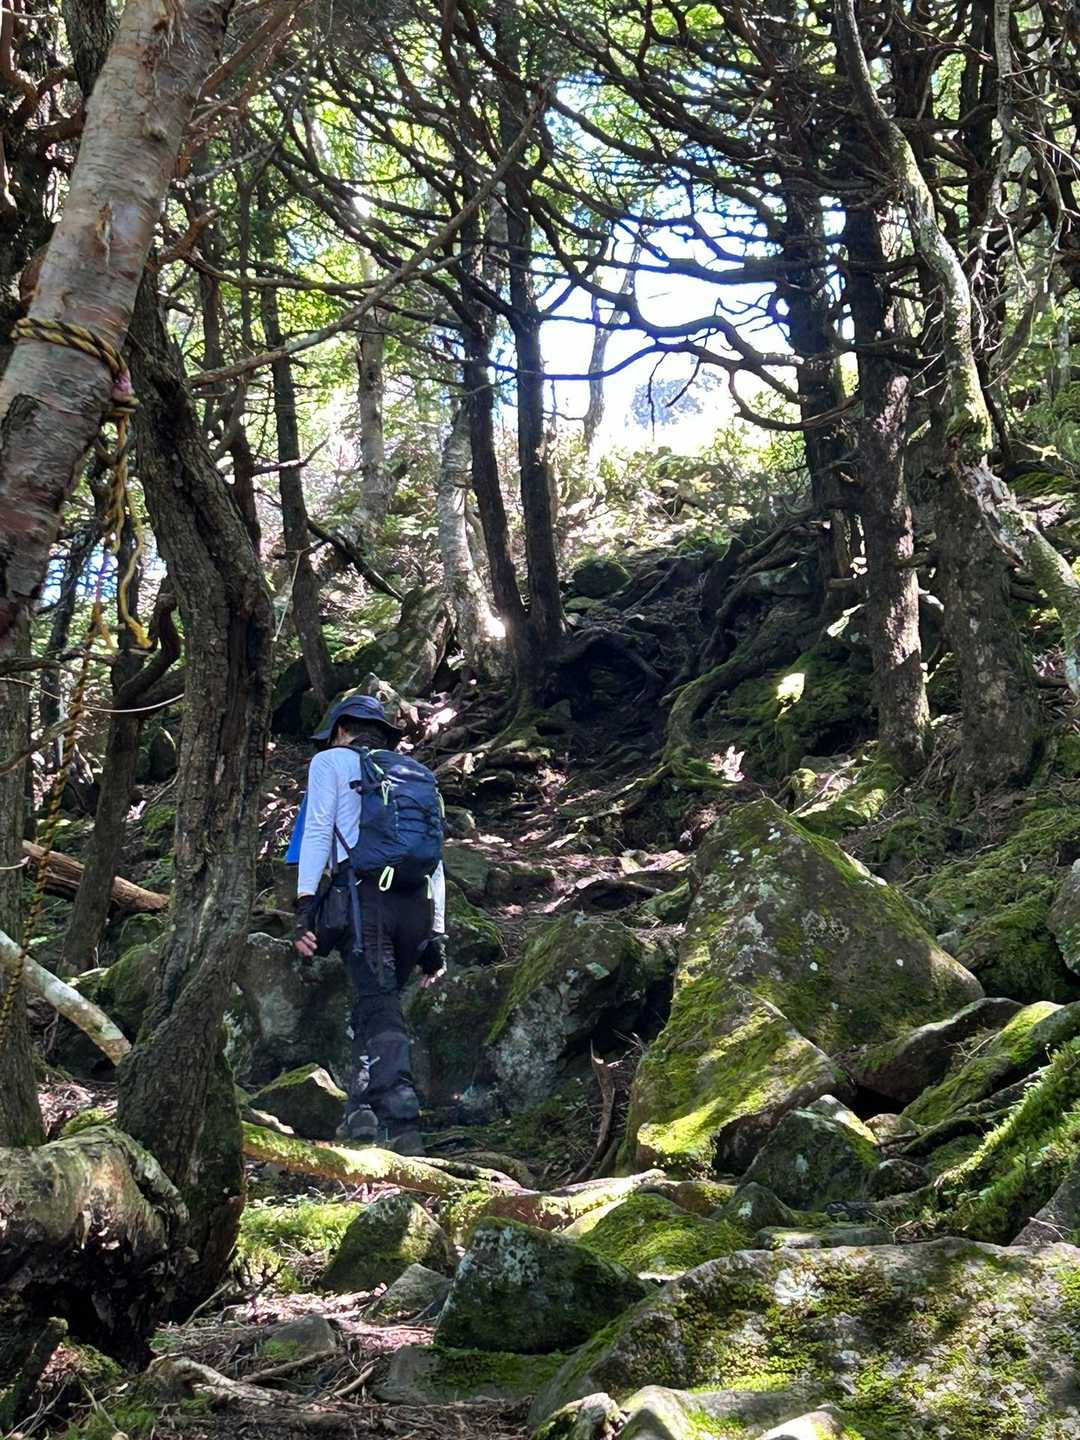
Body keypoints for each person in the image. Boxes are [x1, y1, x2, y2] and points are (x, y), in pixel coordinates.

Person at [293, 695, 447, 1155]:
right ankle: (361, 1112)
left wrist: (305, 903)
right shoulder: (416, 773)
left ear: (341, 729)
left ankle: (403, 1122)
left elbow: (318, 828)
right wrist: (436, 934)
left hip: (366, 900)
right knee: (375, 1000)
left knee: (379, 1003)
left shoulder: (331, 761)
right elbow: (437, 858)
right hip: (415, 903)